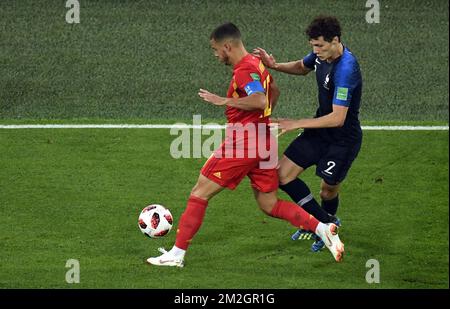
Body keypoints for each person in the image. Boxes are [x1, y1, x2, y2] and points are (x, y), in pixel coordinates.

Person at [146, 22, 344, 267]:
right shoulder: (256, 63)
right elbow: (275, 93)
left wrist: (224, 101)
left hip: (244, 142)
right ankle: (323, 228)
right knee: (269, 204)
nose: (216, 55)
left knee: (199, 193)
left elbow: (261, 100)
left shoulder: (243, 69)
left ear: (227, 46)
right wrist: (264, 120)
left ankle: (176, 255)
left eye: (215, 49)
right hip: (263, 141)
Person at [253, 15, 362, 252]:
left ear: (335, 40)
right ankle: (325, 224)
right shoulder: (321, 55)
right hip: (320, 131)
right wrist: (275, 66)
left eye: (320, 46)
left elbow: (338, 118)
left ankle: (323, 226)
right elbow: (303, 67)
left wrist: (296, 123)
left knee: (327, 188)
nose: (316, 51)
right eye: (313, 46)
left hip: (343, 139)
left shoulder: (346, 69)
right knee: (282, 175)